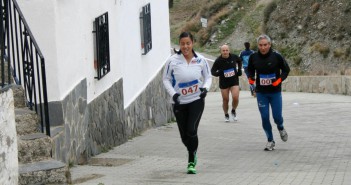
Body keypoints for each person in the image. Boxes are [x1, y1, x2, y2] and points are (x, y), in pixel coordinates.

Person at [163, 32, 212, 174]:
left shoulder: (200, 60)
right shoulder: (172, 60)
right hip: (179, 102)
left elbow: (208, 76)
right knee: (184, 136)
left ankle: (191, 159)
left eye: (188, 43)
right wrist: (174, 94)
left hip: (196, 100)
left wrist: (205, 89)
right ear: (179, 44)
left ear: (192, 43)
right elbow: (165, 79)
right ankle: (192, 150)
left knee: (191, 130)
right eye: (182, 43)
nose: (185, 46)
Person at [247, 34, 290, 151]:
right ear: (258, 46)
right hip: (261, 92)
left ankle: (281, 128)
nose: (263, 48)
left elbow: (286, 70)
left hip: (275, 92)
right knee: (265, 117)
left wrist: (279, 80)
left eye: (265, 45)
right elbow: (249, 69)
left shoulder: (277, 56)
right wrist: (250, 78)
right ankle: (270, 140)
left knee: (277, 117)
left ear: (269, 45)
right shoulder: (253, 57)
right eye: (260, 45)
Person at [211, 44, 242, 122]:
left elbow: (239, 61)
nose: (225, 52)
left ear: (229, 50)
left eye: (226, 50)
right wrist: (219, 73)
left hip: (234, 81)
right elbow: (213, 71)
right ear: (221, 51)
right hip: (224, 83)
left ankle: (233, 111)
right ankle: (226, 114)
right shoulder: (218, 60)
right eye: (223, 51)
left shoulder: (234, 57)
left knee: (235, 97)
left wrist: (239, 70)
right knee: (225, 100)